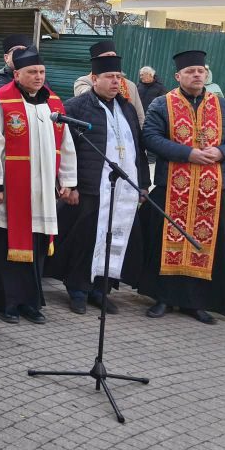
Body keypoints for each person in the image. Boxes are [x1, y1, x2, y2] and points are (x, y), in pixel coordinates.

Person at [0, 46, 78, 324]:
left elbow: (66, 145)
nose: (39, 77)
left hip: (42, 193)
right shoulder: (1, 99)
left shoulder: (53, 104)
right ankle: (6, 302)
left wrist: (67, 181)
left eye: (42, 72)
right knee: (6, 250)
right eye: (32, 72)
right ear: (16, 73)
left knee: (37, 248)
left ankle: (30, 302)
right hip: (9, 192)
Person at [140, 50, 225, 324]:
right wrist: (187, 154)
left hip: (211, 190)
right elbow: (150, 137)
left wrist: (222, 152)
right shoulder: (163, 103)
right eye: (190, 71)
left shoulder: (222, 105)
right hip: (172, 185)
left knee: (204, 244)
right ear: (178, 76)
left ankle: (195, 301)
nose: (197, 75)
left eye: (201, 71)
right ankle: (163, 297)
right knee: (166, 241)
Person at [46, 54, 149, 315]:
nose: (116, 82)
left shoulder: (126, 107)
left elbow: (138, 147)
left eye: (119, 77)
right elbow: (64, 149)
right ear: (94, 79)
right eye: (110, 77)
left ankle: (100, 290)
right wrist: (68, 184)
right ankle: (78, 290)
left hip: (122, 189)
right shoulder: (77, 106)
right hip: (91, 188)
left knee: (113, 238)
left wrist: (143, 185)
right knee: (86, 240)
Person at [72, 39, 145, 126]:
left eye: (113, 55)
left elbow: (140, 117)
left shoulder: (130, 85)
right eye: (107, 56)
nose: (111, 59)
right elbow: (88, 98)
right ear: (96, 61)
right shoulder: (83, 82)